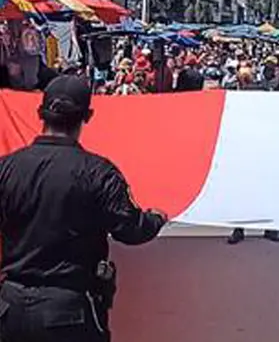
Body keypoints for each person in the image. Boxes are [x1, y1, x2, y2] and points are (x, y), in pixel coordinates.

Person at [0, 75, 167, 341]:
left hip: (10, 307)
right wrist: (157, 218)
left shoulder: (6, 168)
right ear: (87, 116)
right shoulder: (98, 172)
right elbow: (131, 230)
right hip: (68, 310)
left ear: (40, 113)